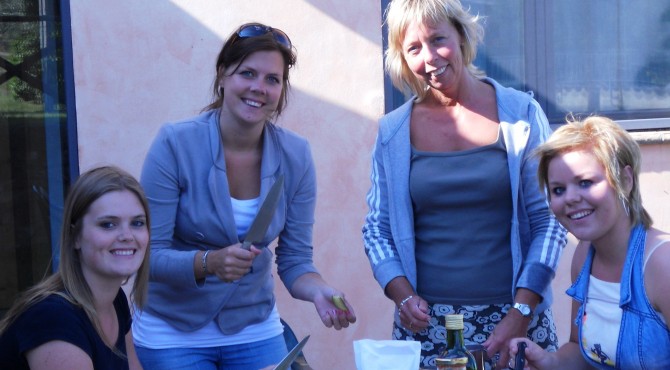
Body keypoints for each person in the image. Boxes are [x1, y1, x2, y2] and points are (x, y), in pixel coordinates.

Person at [133, 22, 356, 370]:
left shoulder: (296, 155)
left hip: (253, 327)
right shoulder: (175, 144)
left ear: (282, 89)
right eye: (247, 73)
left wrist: (319, 291)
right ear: (223, 76)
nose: (259, 88)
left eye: (273, 79)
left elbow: (295, 260)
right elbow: (148, 256)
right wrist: (208, 263)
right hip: (173, 330)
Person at [362, 0, 567, 368]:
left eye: (438, 39)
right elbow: (376, 229)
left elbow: (549, 221)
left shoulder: (521, 115)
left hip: (516, 320)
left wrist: (521, 310)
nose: (429, 58)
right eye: (413, 48)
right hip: (428, 330)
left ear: (461, 36)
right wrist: (403, 296)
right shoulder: (393, 132)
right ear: (402, 58)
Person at [507, 116, 670, 369]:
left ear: (625, 181)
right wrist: (548, 360)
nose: (570, 198)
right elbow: (581, 352)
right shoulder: (584, 254)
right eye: (558, 190)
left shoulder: (662, 263)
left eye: (585, 182)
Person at [0, 166, 150, 370]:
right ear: (75, 237)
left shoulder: (115, 301)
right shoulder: (54, 319)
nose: (127, 235)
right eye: (108, 224)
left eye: (137, 223)